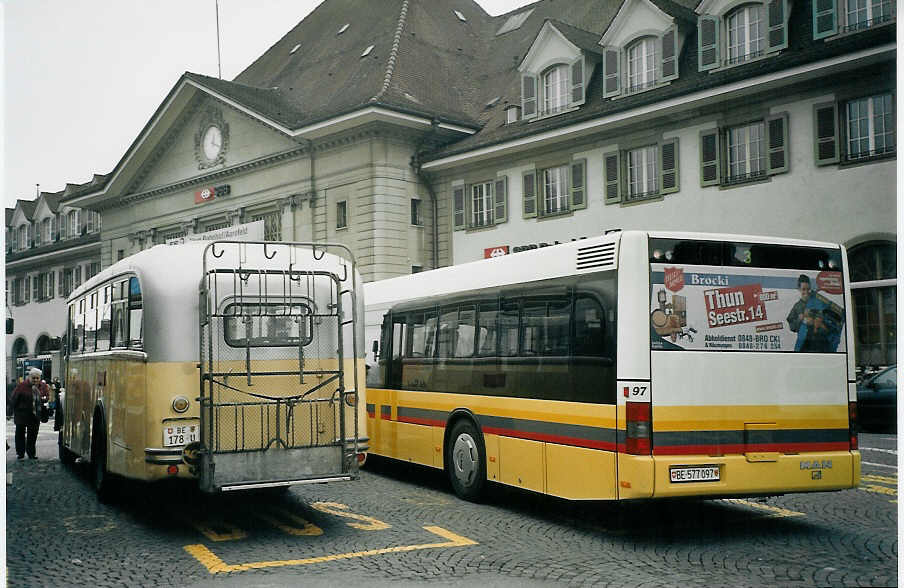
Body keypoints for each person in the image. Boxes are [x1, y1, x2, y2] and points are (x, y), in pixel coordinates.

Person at [786, 275, 843, 352]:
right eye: (803, 289)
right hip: (804, 346)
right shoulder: (797, 306)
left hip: (822, 344)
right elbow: (792, 327)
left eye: (808, 289)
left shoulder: (819, 300)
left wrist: (817, 321)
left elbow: (835, 319)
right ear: (799, 289)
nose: (806, 292)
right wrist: (800, 319)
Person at [9, 368, 50, 460]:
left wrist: (44, 399)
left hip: (35, 415)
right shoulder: (22, 386)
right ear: (29, 377)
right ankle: (20, 453)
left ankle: (31, 453)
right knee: (20, 434)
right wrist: (9, 412)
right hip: (22, 414)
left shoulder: (43, 386)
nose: (35, 380)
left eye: (37, 378)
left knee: (33, 434)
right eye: (33, 378)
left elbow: (47, 396)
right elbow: (14, 399)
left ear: (40, 378)